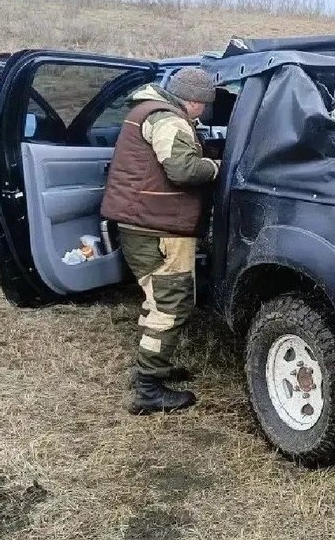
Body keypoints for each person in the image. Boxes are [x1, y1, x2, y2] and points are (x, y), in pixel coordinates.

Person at [100, 67, 219, 415]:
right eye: (205, 104)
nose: (204, 111)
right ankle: (149, 390)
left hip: (141, 223)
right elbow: (183, 170)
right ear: (195, 101)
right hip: (159, 228)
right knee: (171, 304)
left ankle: (152, 367)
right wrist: (218, 166)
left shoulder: (145, 110)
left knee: (156, 299)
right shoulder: (169, 120)